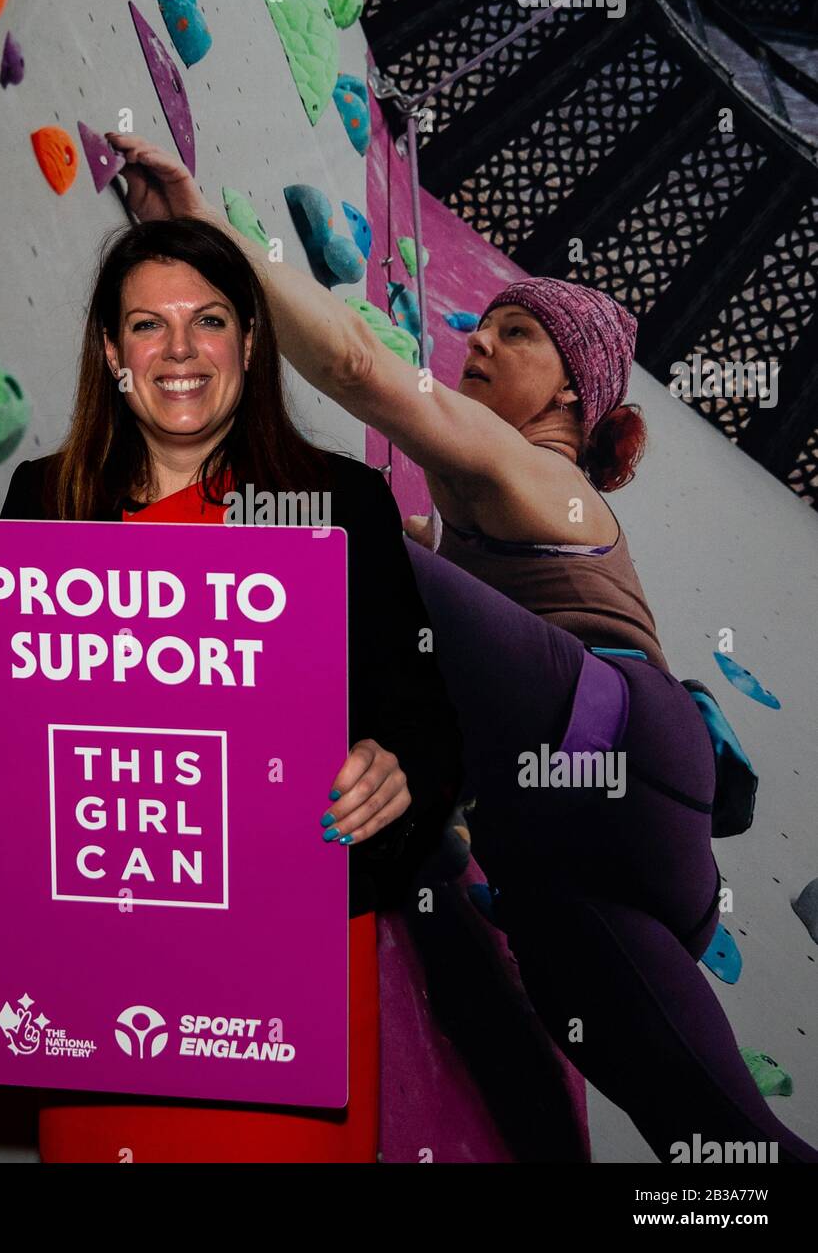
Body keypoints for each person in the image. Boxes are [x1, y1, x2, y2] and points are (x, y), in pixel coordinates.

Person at [107, 133, 818, 1163]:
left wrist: (199, 235)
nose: (479, 345)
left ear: (571, 399)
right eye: (482, 324)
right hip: (589, 857)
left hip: (611, 750)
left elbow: (357, 368)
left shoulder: (542, 474)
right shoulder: (477, 505)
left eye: (516, 333)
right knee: (717, 1140)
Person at [0, 211, 462, 1162]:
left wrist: (394, 774)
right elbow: (18, 760)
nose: (179, 349)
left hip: (287, 989)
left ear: (248, 336)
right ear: (112, 351)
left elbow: (432, 733)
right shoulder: (46, 501)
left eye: (207, 319)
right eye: (147, 325)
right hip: (95, 988)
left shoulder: (342, 506)